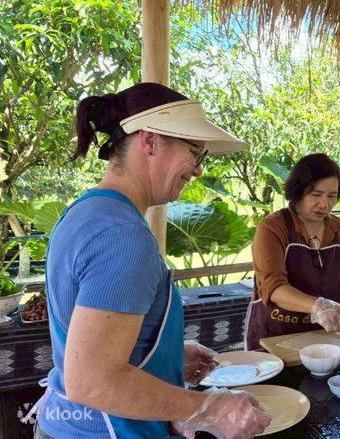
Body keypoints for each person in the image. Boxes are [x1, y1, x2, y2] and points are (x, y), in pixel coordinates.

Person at [31, 83, 271, 439]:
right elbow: (93, 381)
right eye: (195, 152)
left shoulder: (85, 212)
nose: (198, 170)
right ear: (151, 141)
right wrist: (209, 408)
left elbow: (87, 342)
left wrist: (163, 356)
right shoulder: (123, 236)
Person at [245, 153, 340, 350]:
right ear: (298, 191)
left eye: (332, 196)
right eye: (316, 195)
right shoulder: (273, 227)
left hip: (325, 338)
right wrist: (319, 306)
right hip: (275, 336)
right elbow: (273, 287)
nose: (324, 204)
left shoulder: (337, 229)